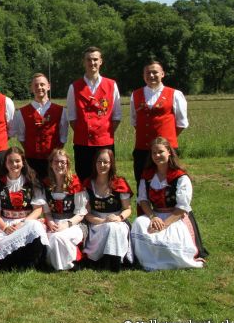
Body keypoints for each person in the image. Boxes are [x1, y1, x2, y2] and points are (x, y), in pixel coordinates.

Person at [131, 137, 208, 270]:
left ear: (169, 152)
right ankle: (147, 260)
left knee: (170, 238)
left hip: (176, 217)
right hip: (155, 215)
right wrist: (153, 217)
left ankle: (170, 258)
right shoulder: (148, 176)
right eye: (154, 153)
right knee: (138, 223)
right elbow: (143, 200)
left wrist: (165, 224)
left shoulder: (180, 177)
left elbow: (182, 208)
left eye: (160, 152)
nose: (157, 156)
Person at [0, 147, 49, 270]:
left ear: (23, 162)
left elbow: (37, 209)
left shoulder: (31, 181)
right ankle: (15, 263)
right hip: (6, 223)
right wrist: (5, 227)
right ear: (5, 163)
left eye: (17, 161)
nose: (14, 164)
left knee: (36, 227)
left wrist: (23, 223)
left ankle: (31, 262)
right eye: (10, 161)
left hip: (26, 221)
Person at [66, 47, 121, 181]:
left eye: (95, 59)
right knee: (84, 177)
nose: (92, 63)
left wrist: (101, 132)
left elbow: (116, 116)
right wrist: (86, 131)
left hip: (104, 141)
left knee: (106, 177)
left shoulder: (111, 85)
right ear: (84, 62)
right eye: (89, 60)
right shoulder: (74, 87)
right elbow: (72, 118)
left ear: (101, 61)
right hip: (83, 142)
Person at [131, 61, 189, 187]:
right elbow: (135, 121)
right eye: (148, 73)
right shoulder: (135, 95)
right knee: (142, 184)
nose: (151, 75)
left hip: (165, 150)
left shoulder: (175, 94)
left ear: (162, 74)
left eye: (155, 72)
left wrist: (165, 141)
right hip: (142, 149)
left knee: (168, 182)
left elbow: (181, 123)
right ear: (143, 75)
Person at [83, 149, 133, 272]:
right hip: (96, 223)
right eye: (99, 162)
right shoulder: (88, 184)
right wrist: (102, 221)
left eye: (106, 162)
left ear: (111, 164)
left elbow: (127, 209)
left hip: (117, 221)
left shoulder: (119, 183)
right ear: (95, 164)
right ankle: (108, 261)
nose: (102, 165)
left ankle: (113, 260)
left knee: (114, 227)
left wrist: (119, 218)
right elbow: (85, 213)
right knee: (109, 227)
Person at [12, 73, 68, 180]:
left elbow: (63, 136)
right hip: (32, 161)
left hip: (53, 161)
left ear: (48, 86)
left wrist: (55, 155)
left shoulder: (61, 111)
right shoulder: (22, 112)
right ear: (31, 88)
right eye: (36, 85)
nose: (39, 88)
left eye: (42, 84)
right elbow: (22, 137)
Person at [43, 149, 88, 271]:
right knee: (45, 236)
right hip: (53, 223)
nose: (59, 165)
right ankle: (60, 264)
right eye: (56, 162)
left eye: (63, 162)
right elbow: (46, 211)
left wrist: (67, 224)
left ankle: (71, 262)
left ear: (68, 164)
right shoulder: (46, 184)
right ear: (51, 164)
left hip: (74, 223)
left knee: (58, 237)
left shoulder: (75, 183)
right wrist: (51, 222)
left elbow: (81, 213)